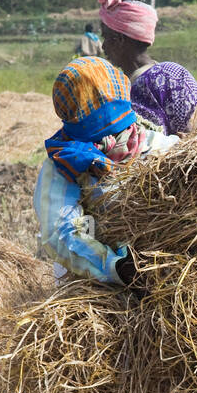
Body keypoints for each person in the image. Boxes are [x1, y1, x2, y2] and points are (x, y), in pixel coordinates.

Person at [34, 56, 179, 286]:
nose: (108, 141)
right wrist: (116, 267)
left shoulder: (155, 145)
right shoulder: (65, 162)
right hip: (95, 286)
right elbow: (60, 234)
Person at [96, 0, 197, 137]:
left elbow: (190, 131)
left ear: (120, 40)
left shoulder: (165, 76)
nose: (103, 47)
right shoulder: (172, 73)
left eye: (106, 37)